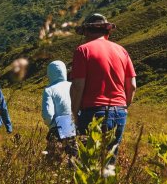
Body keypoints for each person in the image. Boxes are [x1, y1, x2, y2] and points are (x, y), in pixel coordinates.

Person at [70, 13, 136, 156]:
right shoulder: (121, 50)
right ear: (107, 31)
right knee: (109, 161)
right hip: (119, 112)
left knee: (88, 160)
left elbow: (77, 86)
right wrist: (124, 106)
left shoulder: (83, 50)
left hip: (92, 112)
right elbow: (132, 85)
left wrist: (74, 114)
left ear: (86, 31)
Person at [41, 60, 77, 160]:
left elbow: (47, 114)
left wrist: (52, 125)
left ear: (49, 74)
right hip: (76, 122)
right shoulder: (73, 86)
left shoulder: (49, 89)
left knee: (51, 160)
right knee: (73, 156)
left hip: (60, 123)